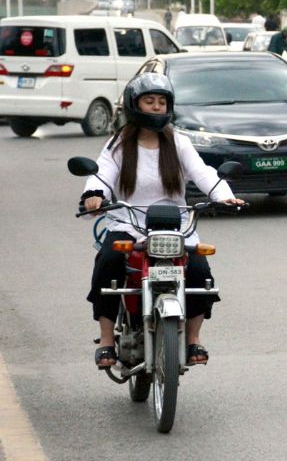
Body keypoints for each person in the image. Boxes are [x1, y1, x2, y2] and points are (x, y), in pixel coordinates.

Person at [81, 73, 245, 368]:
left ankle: (193, 340)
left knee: (199, 273)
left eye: (161, 102)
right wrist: (93, 195)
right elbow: (101, 175)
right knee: (107, 263)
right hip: (128, 224)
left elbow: (204, 172)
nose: (156, 107)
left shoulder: (178, 142)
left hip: (175, 227)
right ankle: (106, 341)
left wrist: (224, 195)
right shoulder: (118, 145)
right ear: (135, 105)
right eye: (149, 101)